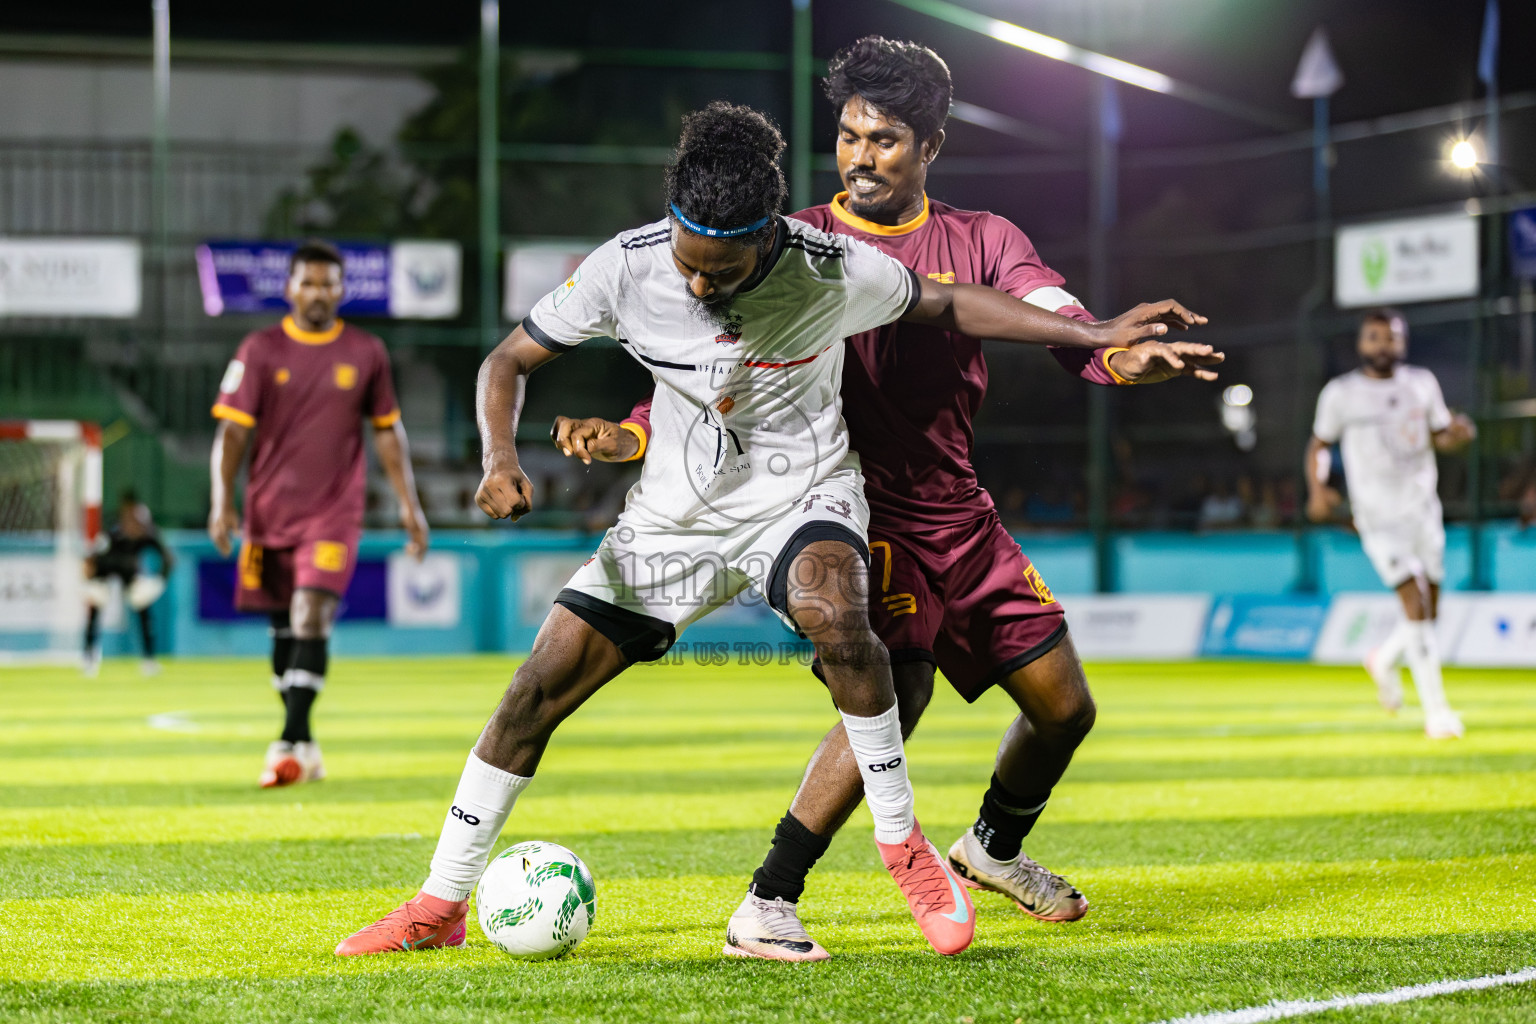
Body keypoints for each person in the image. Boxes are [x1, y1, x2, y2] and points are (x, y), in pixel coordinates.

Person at [335, 101, 1207, 959]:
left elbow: (950, 306)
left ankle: (904, 847)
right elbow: (507, 360)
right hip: (672, 520)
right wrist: (498, 457)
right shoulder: (626, 266)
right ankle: (438, 903)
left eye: (724, 270)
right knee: (535, 691)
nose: (702, 286)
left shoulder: (832, 268)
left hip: (805, 497)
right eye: (690, 266)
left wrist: (1092, 333)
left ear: (770, 238)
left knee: (840, 613)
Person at [208, 239, 429, 788]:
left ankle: (284, 743)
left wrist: (410, 505)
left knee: (310, 615)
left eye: (328, 284)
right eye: (307, 282)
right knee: (284, 630)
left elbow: (388, 433)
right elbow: (232, 432)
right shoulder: (259, 350)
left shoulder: (366, 352)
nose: (317, 292)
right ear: (289, 288)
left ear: (341, 290)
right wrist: (221, 501)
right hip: (266, 513)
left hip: (333, 512)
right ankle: (305, 744)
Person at [1307, 308, 1475, 739]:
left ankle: (1383, 659)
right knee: (1415, 598)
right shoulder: (1341, 393)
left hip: (1423, 509)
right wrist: (1318, 488)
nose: (1384, 345)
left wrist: (1455, 435)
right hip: (1377, 516)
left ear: (1403, 342)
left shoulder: (1422, 384)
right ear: (1362, 343)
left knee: (1429, 610)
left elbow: (1439, 433)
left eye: (1392, 337)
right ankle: (1437, 713)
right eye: (1375, 337)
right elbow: (1319, 445)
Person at [83, 490, 174, 677]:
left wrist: (159, 581)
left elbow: (167, 558)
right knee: (95, 612)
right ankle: (89, 657)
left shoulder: (146, 535)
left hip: (129, 573)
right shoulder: (111, 534)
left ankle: (149, 660)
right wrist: (89, 573)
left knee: (144, 613)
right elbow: (92, 558)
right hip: (104, 570)